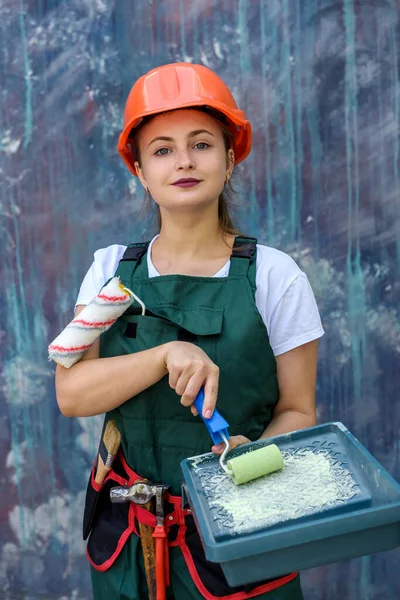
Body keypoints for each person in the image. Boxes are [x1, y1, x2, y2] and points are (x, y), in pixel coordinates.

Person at [56, 62, 324, 600]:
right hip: (131, 545)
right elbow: (72, 392)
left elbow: (298, 410)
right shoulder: (110, 270)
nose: (183, 161)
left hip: (242, 543)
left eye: (201, 144)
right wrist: (163, 355)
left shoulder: (274, 276)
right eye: (162, 149)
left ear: (229, 159)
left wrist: (251, 469)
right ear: (139, 170)